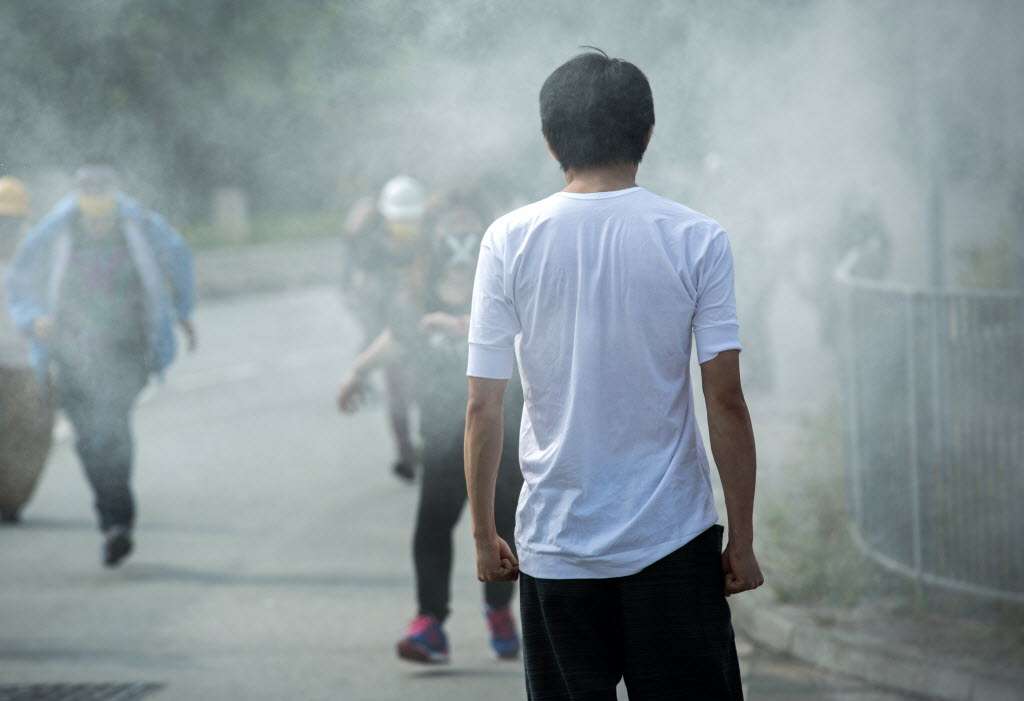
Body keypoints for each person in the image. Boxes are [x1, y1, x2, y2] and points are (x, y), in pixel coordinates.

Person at [463, 50, 763, 699]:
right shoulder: (696, 238)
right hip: (673, 544)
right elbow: (726, 400)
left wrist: (487, 534)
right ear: (647, 133)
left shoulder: (507, 239)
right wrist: (740, 538)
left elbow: (483, 407)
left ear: (551, 141)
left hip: (556, 544)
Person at [338, 190, 523, 664]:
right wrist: (356, 372)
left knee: (504, 528)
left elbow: (536, 340)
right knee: (432, 526)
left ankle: (500, 611)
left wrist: (463, 325)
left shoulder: (507, 291)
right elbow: (397, 338)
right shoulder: (418, 296)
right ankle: (430, 623)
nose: (459, 270)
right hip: (444, 436)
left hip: (504, 437)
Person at [5, 163, 196, 567]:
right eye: (87, 189)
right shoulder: (56, 230)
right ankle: (113, 515)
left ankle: (117, 520)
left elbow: (177, 257)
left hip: (126, 348)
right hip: (69, 348)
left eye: (102, 190)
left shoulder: (140, 226)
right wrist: (33, 317)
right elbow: (22, 281)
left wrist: (183, 310)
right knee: (88, 438)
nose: (96, 219)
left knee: (112, 427)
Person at [339, 175, 431, 482]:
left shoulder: (430, 240)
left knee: (425, 388)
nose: (405, 227)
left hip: (424, 327)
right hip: (391, 327)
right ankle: (405, 454)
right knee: (397, 392)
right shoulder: (371, 245)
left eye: (411, 220)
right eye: (399, 221)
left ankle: (426, 444)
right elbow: (361, 288)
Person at [0, 176, 55, 523]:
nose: (5, 228)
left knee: (28, 443)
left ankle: (10, 501)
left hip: (28, 367)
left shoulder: (41, 260)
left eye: (10, 221)